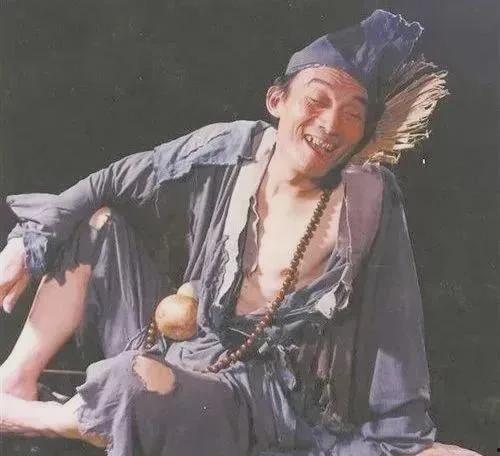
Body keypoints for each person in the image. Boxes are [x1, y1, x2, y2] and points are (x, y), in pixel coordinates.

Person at [0, 9, 478, 456]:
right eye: (316, 101)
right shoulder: (233, 148)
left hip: (251, 398)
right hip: (178, 348)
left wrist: (406, 439)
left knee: (130, 383)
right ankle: (14, 380)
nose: (331, 124)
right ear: (277, 101)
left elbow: (395, 317)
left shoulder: (367, 200)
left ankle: (33, 418)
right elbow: (110, 182)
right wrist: (25, 244)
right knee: (98, 223)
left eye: (353, 114)